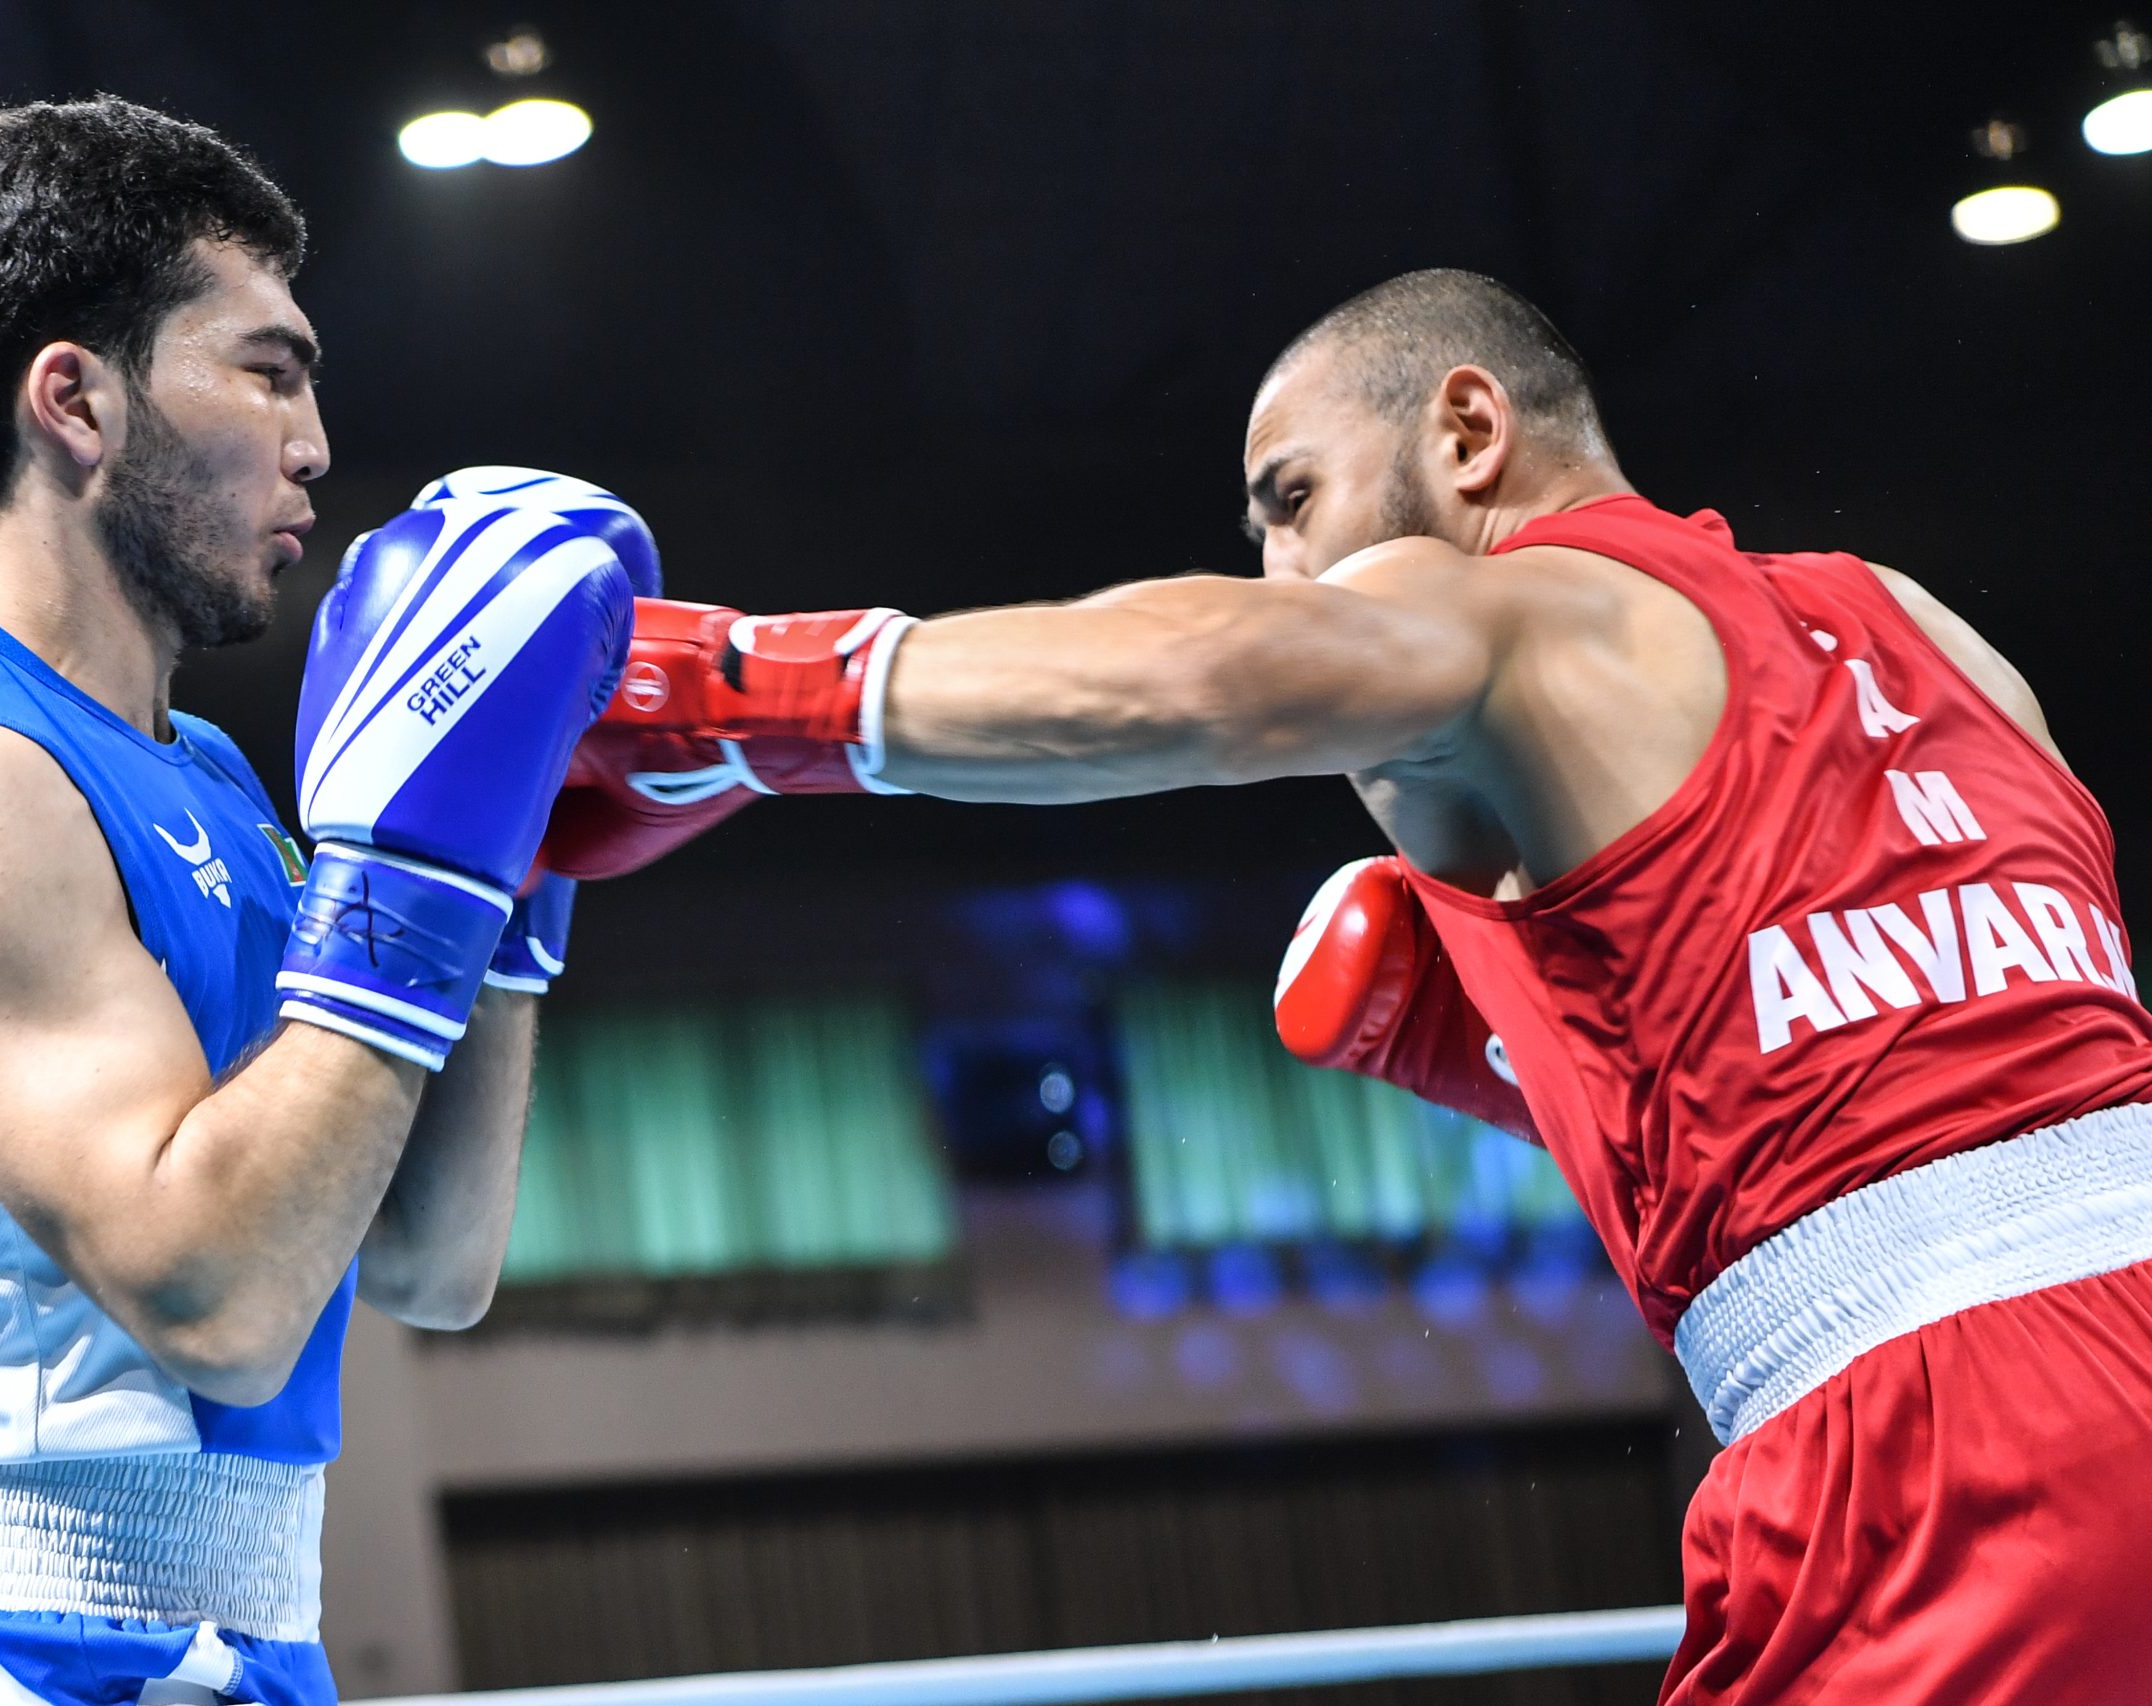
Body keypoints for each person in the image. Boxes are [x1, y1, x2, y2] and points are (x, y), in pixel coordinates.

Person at [545, 268, 2152, 1703]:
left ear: (1467, 432)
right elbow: (1976, 1076)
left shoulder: (1516, 606)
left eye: (1293, 498)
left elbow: (1204, 677)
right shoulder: (1921, 626)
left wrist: (733, 697)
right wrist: (1541, 1069)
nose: (1283, 563)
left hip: (1953, 1459)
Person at [0, 97, 646, 1704]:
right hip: (33, 1665)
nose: (315, 441)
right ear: (76, 402)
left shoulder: (219, 785)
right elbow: (221, 1296)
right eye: (268, 368)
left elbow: (429, 1261)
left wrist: (512, 883)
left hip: (255, 1650)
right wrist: (407, 877)